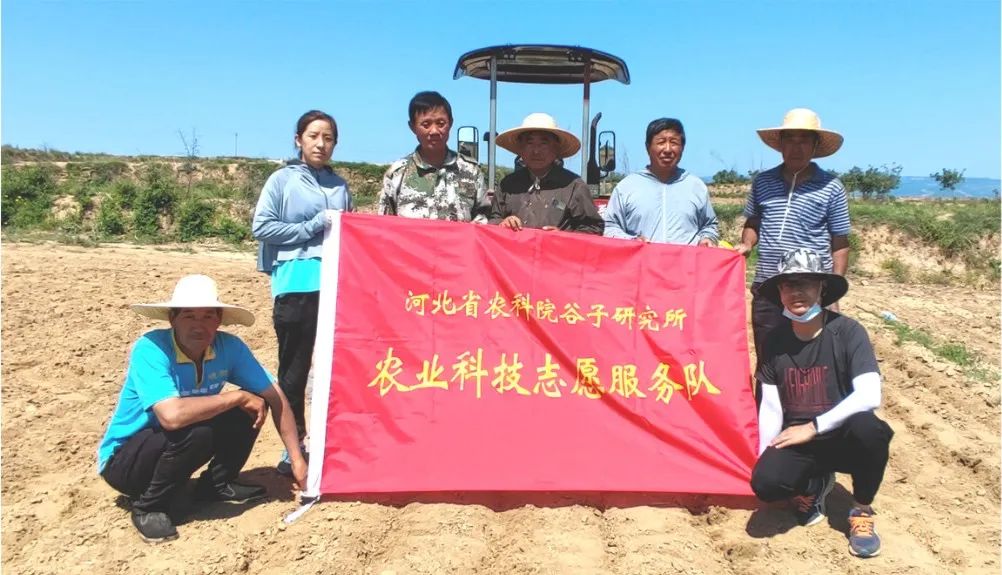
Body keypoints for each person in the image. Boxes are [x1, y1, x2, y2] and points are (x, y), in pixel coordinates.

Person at [97, 275, 308, 543]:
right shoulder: (151, 348)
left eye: (208, 316)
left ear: (219, 320)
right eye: (189, 316)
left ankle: (217, 485)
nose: (199, 325)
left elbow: (275, 396)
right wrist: (236, 397)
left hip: (171, 448)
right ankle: (149, 506)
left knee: (251, 405)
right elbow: (171, 417)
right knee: (200, 427)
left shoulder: (228, 347)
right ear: (173, 318)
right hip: (125, 463)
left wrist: (297, 460)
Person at [749, 248, 893, 559]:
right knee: (765, 483)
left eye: (806, 283)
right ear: (779, 292)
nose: (796, 292)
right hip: (800, 440)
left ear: (822, 289)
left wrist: (814, 427)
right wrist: (766, 456)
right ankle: (812, 486)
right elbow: (771, 406)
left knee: (870, 428)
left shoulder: (847, 332)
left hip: (842, 435)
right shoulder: (774, 341)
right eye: (788, 285)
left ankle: (862, 510)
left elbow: (870, 395)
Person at [252, 109, 353, 475]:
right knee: (294, 371)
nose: (321, 144)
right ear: (299, 140)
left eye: (328, 138)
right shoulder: (281, 181)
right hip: (295, 284)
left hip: (335, 286)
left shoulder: (340, 186)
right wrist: (311, 226)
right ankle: (293, 448)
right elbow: (262, 226)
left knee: (333, 368)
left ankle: (330, 440)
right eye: (313, 136)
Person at [735, 108, 850, 359]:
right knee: (768, 360)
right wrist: (747, 244)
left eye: (804, 140)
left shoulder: (831, 187)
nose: (796, 147)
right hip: (768, 288)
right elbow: (753, 221)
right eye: (790, 140)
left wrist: (833, 290)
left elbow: (840, 242)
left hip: (810, 292)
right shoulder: (762, 182)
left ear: (815, 145)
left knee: (810, 361)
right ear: (780, 145)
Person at [603, 117, 718, 245]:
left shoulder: (696, 186)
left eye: (674, 143)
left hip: (685, 264)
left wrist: (707, 238)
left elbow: (709, 225)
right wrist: (632, 241)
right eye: (661, 142)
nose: (668, 149)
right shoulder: (626, 187)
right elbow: (610, 227)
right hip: (642, 264)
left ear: (683, 148)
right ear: (648, 147)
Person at [379, 91, 488, 222]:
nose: (434, 131)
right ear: (412, 127)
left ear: (451, 123)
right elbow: (384, 225)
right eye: (426, 125)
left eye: (441, 123)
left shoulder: (471, 171)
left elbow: (485, 221)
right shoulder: (397, 174)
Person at [489, 112, 603, 234]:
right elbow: (491, 220)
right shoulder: (507, 185)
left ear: (556, 148)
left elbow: (593, 229)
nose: (536, 151)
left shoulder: (574, 186)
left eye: (544, 143)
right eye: (530, 143)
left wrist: (564, 237)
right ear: (520, 148)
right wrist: (503, 223)